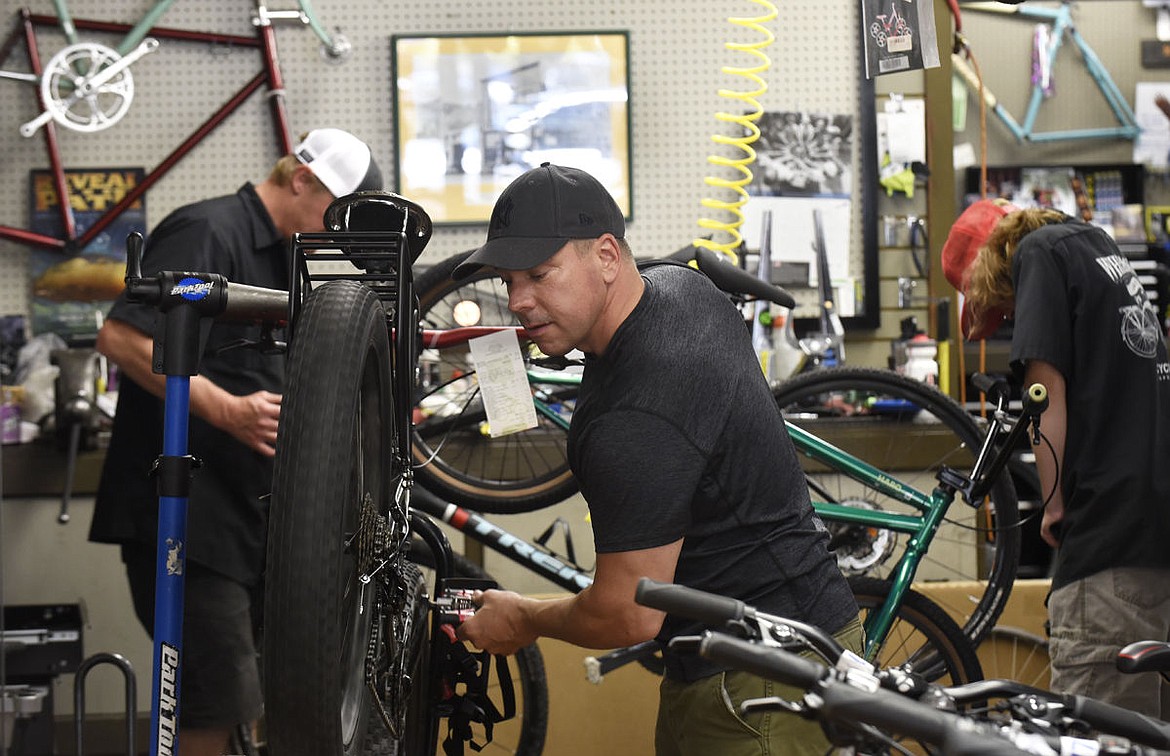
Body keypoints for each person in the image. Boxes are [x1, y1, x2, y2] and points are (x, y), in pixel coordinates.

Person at [451, 163, 862, 756]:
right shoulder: (682, 287)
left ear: (608, 257)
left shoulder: (634, 417)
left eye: (540, 275)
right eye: (508, 280)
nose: (518, 301)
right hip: (792, 645)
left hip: (757, 687)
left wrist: (524, 618)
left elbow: (627, 617)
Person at [89, 128, 382, 756]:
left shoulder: (289, 253)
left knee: (255, 700)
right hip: (188, 525)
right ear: (301, 179)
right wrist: (228, 410)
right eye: (336, 214)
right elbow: (121, 339)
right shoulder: (207, 231)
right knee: (214, 701)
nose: (336, 233)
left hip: (250, 524)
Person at [943, 197, 1170, 718]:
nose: (1010, 315)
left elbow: (1045, 395)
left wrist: (1052, 503)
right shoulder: (1098, 248)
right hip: (1151, 532)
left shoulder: (1037, 255)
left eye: (1002, 305)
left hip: (1107, 541)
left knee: (1100, 736)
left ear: (991, 266)